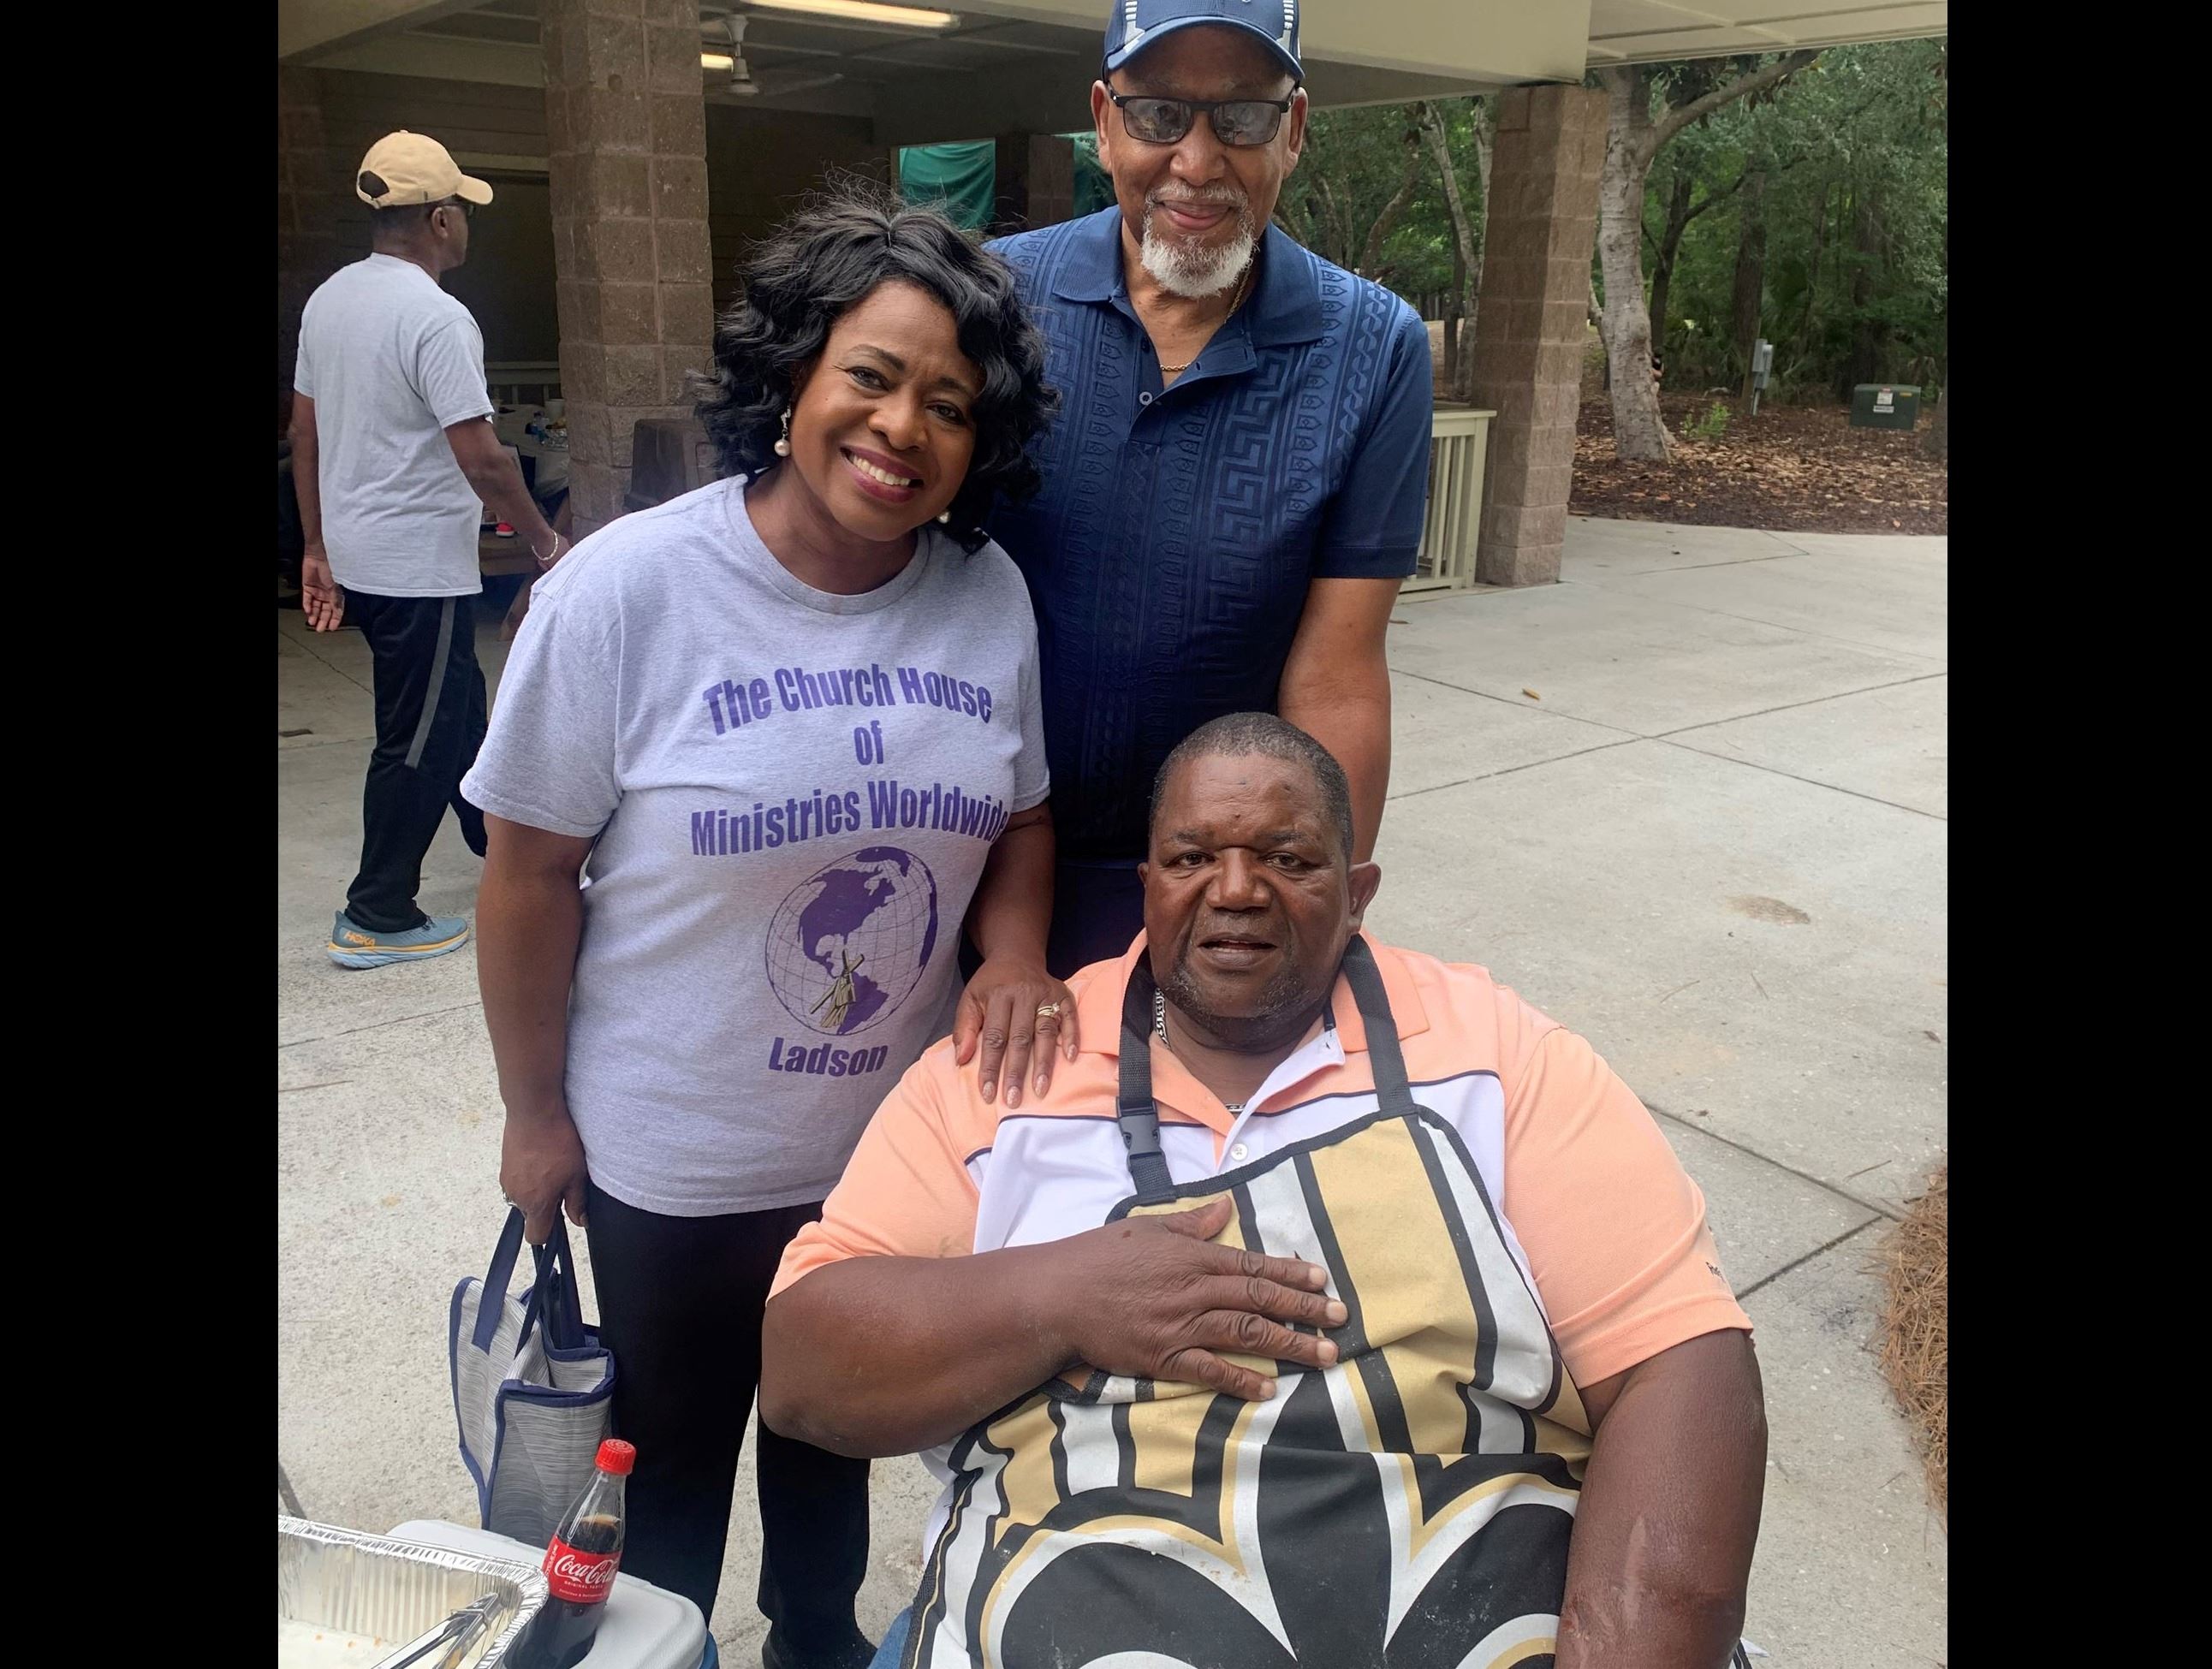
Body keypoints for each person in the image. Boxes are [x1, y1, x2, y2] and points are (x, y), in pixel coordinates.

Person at [762, 712, 1769, 1669]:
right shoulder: (1001, 1078)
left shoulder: (1496, 1057)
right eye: (1194, 858)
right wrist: (1058, 1300)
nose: (1235, 890)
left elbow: (1676, 1366)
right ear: (1147, 882)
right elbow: (804, 1371)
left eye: (1287, 860)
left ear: (1358, 888)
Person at [465, 192, 1075, 1668]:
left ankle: (818, 1643)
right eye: (870, 374)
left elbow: (1024, 812)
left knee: (831, 1441)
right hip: (673, 1153)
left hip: (882, 1147)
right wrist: (533, 1117)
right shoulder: (627, 591)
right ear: (793, 376)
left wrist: (1010, 954)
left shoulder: (983, 594)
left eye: (948, 402)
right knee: (667, 1474)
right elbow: (527, 876)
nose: (901, 426)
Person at [984, 1, 1435, 976]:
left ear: (1295, 130)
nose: (1196, 160)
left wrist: (1327, 913)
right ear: (1103, 122)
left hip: (1210, 884)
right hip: (972, 852)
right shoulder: (991, 298)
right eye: (1157, 116)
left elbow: (1337, 674)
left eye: (1240, 117)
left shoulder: (1371, 347)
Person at [290, 130, 567, 970]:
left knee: (456, 709)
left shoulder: (331, 298)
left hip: (362, 552)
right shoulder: (437, 317)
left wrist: (314, 545)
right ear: (441, 219)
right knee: (415, 733)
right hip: (416, 564)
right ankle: (376, 910)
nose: (466, 227)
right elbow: (481, 455)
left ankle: (496, 845)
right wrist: (546, 541)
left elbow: (303, 429)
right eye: (464, 212)